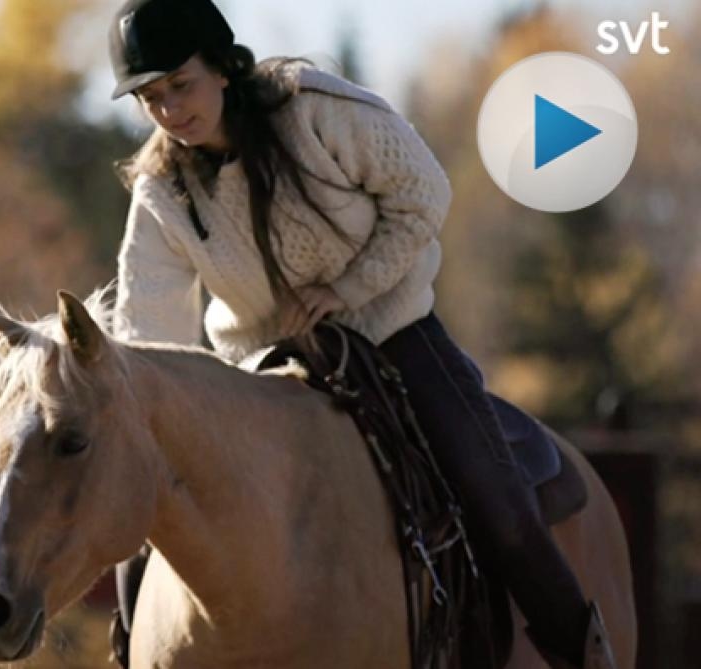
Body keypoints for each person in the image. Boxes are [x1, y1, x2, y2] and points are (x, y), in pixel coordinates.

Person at [105, 1, 616, 668]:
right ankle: (123, 650)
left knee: (497, 499)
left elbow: (423, 194)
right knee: (140, 511)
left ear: (224, 69)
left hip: (392, 334)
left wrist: (345, 290)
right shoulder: (160, 194)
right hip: (262, 373)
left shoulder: (313, 111)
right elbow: (146, 330)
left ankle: (585, 654)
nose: (169, 110)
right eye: (149, 97)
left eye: (180, 84)